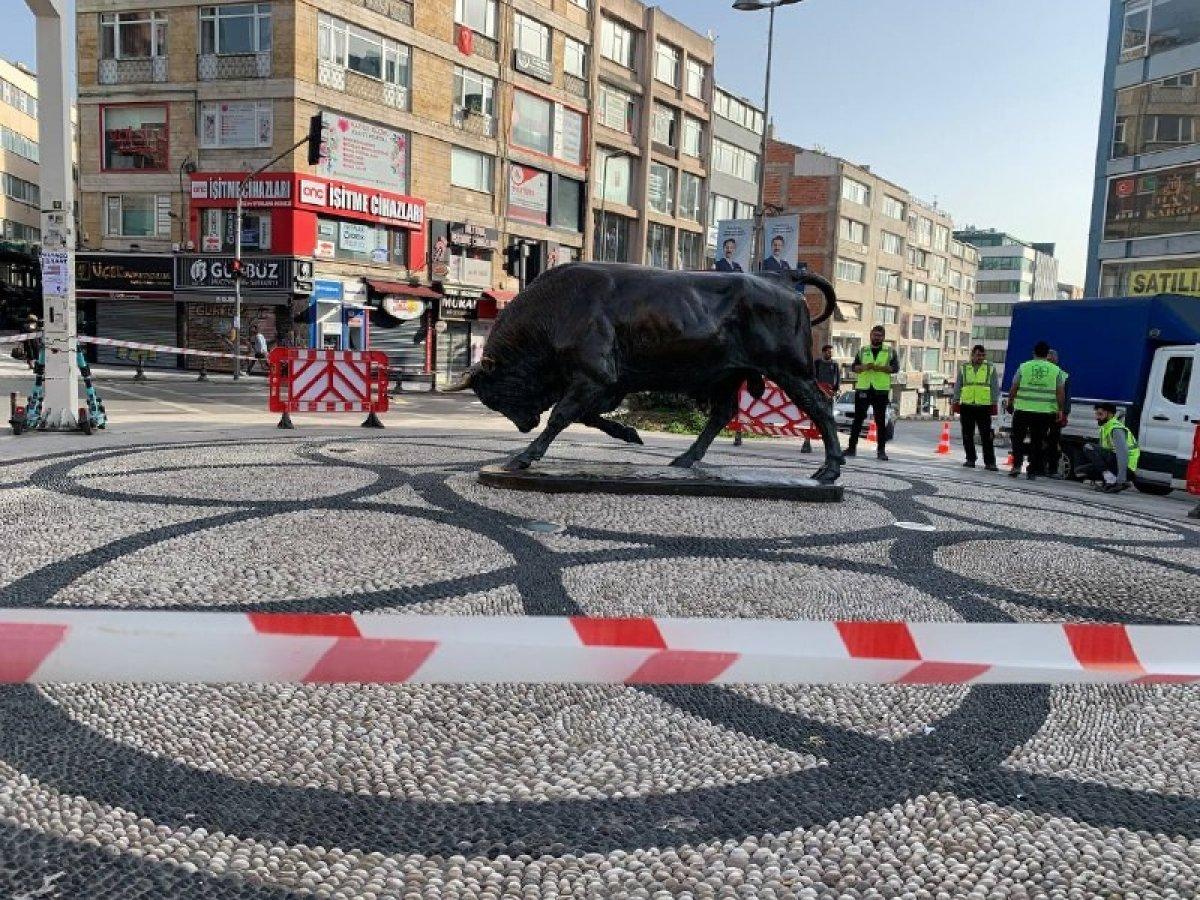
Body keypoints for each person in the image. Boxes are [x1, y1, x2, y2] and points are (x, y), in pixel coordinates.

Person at [1005, 340, 1065, 480]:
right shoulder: (1056, 370)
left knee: (1018, 439)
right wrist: (1060, 410)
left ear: (1034, 353)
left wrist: (1010, 402)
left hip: (1023, 410)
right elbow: (1060, 392)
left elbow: (1014, 387)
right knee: (1037, 441)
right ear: (1047, 354)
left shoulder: (1024, 367)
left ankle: (1016, 466)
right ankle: (1032, 470)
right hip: (1044, 412)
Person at [845, 325, 898, 461]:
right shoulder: (863, 350)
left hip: (880, 390)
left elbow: (895, 368)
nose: (877, 338)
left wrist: (881, 368)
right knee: (858, 419)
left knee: (880, 421)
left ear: (884, 337)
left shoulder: (890, 351)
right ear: (870, 335)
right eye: (875, 335)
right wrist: (863, 367)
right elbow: (854, 367)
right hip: (863, 388)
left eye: (879, 336)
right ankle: (851, 449)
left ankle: (881, 451)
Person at [952, 344, 999, 470]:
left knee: (986, 436)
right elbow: (958, 385)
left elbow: (995, 387)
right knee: (967, 435)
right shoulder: (964, 368)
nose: (981, 358)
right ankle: (970, 459)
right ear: (972, 355)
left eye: (983, 355)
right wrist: (955, 401)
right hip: (967, 406)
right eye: (979, 355)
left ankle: (990, 462)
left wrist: (994, 403)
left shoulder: (990, 368)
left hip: (984, 407)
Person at [1075, 402, 1139, 493]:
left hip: (1126, 469)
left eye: (1100, 414)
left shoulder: (1116, 429)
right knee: (1079, 472)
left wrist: (1121, 479)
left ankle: (1113, 480)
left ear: (1110, 414)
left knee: (1088, 447)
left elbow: (1123, 455)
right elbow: (1101, 455)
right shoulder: (1105, 427)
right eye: (1096, 414)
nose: (1097, 417)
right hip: (1114, 464)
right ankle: (1110, 480)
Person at [1041, 348, 1071, 477]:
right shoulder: (1041, 373)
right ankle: (1040, 466)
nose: (1049, 361)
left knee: (1053, 442)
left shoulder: (1063, 375)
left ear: (1056, 360)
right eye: (1047, 358)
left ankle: (1051, 469)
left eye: (1051, 359)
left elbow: (1067, 396)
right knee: (1040, 441)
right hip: (1041, 412)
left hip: (1054, 413)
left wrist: (1065, 413)